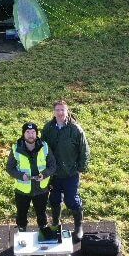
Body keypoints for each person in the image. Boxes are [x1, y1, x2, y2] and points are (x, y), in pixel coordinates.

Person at [41, 100, 90, 240]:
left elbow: (84, 150)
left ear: (67, 111)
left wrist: (80, 168)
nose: (60, 112)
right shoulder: (48, 128)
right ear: (54, 112)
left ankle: (78, 227)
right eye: (57, 110)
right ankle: (56, 224)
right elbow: (43, 148)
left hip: (70, 173)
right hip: (54, 173)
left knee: (72, 200)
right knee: (54, 200)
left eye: (63, 110)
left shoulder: (75, 129)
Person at [5, 122, 56, 232]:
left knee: (41, 214)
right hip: (22, 190)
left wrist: (44, 174)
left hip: (41, 189)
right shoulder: (16, 148)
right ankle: (21, 230)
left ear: (37, 134)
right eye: (27, 132)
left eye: (33, 132)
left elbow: (52, 166)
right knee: (21, 214)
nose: (30, 135)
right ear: (23, 134)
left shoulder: (44, 147)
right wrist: (20, 176)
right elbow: (9, 168)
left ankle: (43, 230)